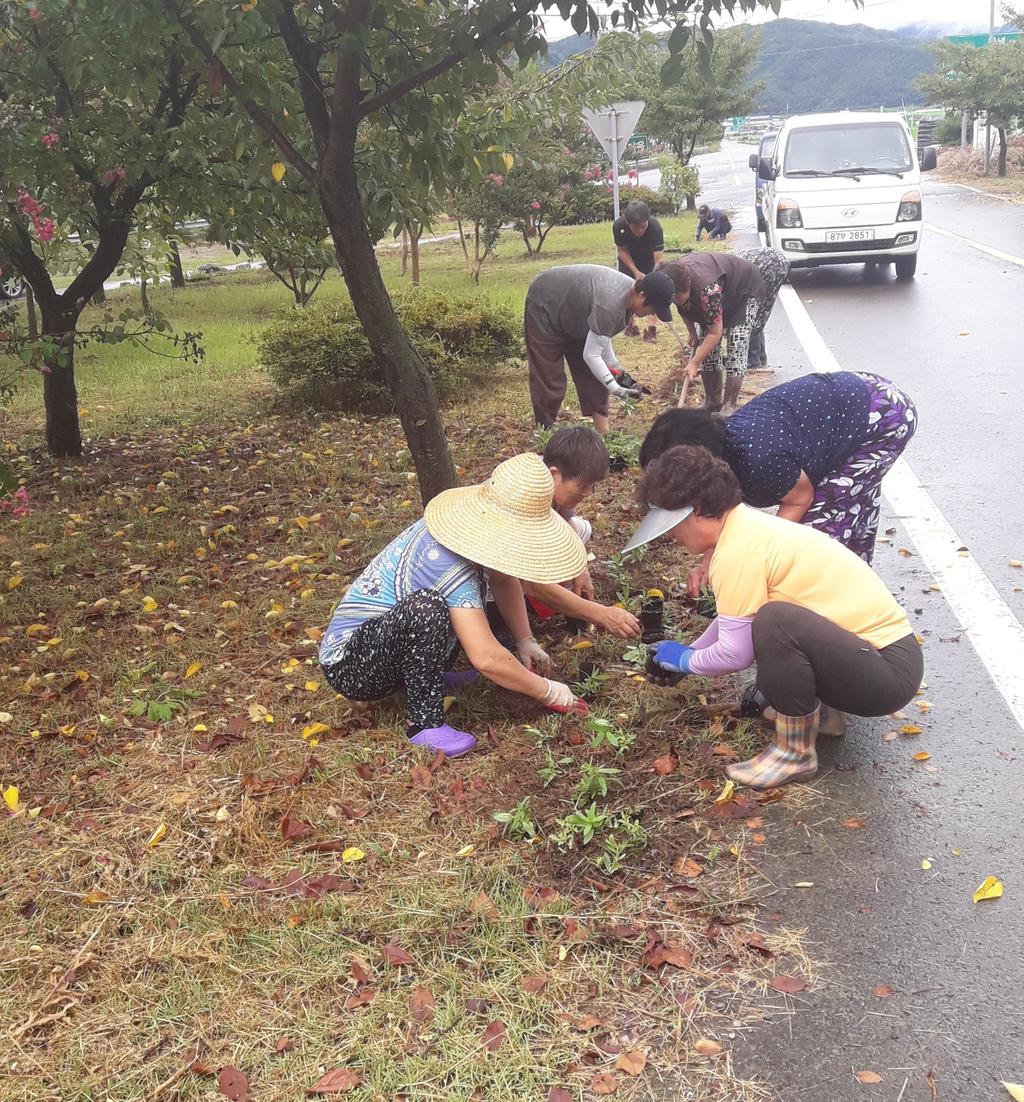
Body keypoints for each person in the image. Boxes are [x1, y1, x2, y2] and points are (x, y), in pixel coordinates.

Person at [626, 445, 923, 789]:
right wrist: (686, 652)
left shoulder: (738, 551)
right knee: (772, 636)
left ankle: (794, 753)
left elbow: (735, 652)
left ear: (696, 513)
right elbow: (734, 619)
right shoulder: (746, 528)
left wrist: (687, 661)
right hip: (876, 660)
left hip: (885, 674)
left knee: (775, 623)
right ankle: (825, 716)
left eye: (672, 525)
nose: (671, 536)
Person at [319, 454, 588, 758]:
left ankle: (426, 678)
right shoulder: (448, 562)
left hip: (385, 646)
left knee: (450, 609)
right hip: (352, 664)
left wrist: (526, 640)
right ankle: (423, 723)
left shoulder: (475, 536)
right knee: (428, 608)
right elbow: (485, 657)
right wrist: (547, 690)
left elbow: (501, 579)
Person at [638, 371, 917, 572]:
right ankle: (858, 580)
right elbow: (725, 518)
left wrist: (760, 559)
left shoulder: (759, 461)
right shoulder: (722, 455)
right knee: (849, 506)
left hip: (879, 416)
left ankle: (833, 607)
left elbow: (798, 499)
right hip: (853, 401)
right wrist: (712, 556)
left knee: (821, 527)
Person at [521, 426, 641, 638]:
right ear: (555, 475)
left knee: (581, 528)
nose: (587, 493)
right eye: (583, 485)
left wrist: (580, 565)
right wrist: (602, 615)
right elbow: (536, 585)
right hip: (484, 573)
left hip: (528, 546)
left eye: (591, 485)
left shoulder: (552, 475)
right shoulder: (525, 496)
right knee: (521, 584)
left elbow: (565, 521)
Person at [524, 265, 675, 432]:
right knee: (549, 378)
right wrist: (615, 388)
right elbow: (592, 355)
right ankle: (545, 435)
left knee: (595, 376)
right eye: (652, 309)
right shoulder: (610, 303)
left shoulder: (628, 298)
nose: (651, 314)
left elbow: (603, 333)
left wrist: (614, 365)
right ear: (642, 296)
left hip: (575, 312)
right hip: (546, 303)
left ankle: (604, 437)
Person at [659, 252, 765, 414]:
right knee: (705, 347)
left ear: (688, 286)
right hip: (719, 295)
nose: (676, 302)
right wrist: (692, 333)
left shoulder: (706, 289)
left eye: (678, 298)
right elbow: (683, 308)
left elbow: (715, 333)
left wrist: (694, 363)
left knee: (736, 343)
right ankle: (712, 402)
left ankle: (729, 404)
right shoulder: (671, 278)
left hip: (743, 290)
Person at [613, 201, 665, 343]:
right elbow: (622, 251)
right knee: (627, 291)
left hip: (650, 260)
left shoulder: (655, 227)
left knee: (653, 292)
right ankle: (629, 325)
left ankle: (650, 330)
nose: (640, 231)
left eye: (643, 226)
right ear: (627, 223)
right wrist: (635, 271)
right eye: (636, 227)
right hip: (628, 261)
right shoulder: (619, 226)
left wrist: (651, 278)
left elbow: (659, 259)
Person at [739, 247, 789, 373]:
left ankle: (753, 361)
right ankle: (760, 356)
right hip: (775, 262)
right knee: (758, 314)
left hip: (768, 265)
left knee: (749, 315)